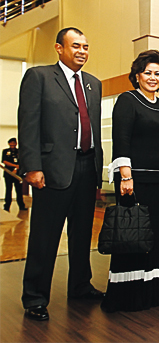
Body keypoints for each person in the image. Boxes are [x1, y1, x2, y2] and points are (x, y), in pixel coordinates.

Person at [18, 27, 104, 321]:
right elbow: (28, 123)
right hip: (52, 169)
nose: (82, 51)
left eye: (86, 46)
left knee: (82, 234)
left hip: (87, 167)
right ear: (59, 48)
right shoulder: (39, 77)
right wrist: (32, 166)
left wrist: (98, 170)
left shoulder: (93, 84)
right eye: (76, 45)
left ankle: (80, 286)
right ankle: (35, 297)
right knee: (45, 236)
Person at [102, 50, 159, 312]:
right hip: (134, 181)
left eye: (158, 73)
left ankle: (154, 292)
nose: (153, 77)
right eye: (148, 73)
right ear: (137, 76)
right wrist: (126, 176)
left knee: (157, 236)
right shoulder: (127, 100)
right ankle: (129, 296)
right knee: (133, 235)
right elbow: (121, 139)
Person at [2, 138, 26, 212]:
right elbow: (4, 161)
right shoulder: (5, 151)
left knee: (19, 190)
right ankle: (7, 206)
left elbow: (22, 161)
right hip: (8, 174)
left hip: (17, 174)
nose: (12, 144)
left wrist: (16, 168)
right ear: (9, 143)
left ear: (16, 143)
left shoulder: (19, 152)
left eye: (14, 143)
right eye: (11, 143)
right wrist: (14, 166)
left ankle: (21, 206)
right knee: (8, 190)